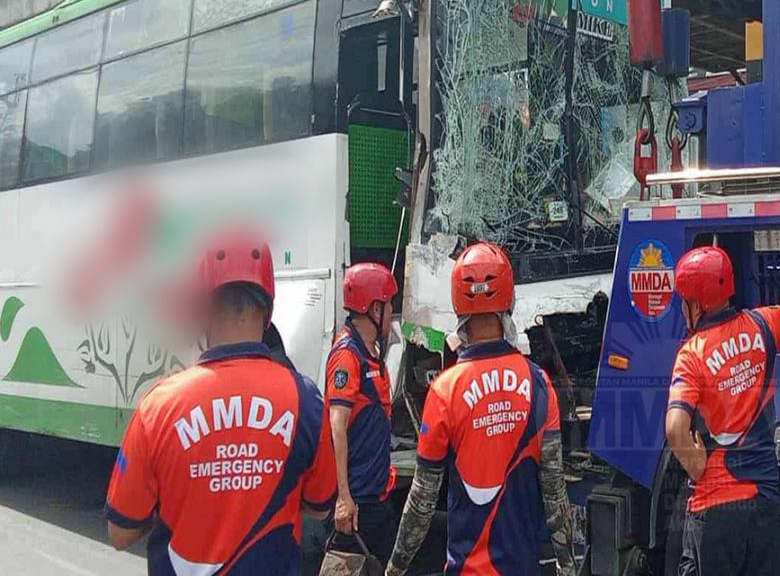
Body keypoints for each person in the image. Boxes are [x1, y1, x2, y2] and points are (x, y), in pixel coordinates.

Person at [105, 231, 338, 575]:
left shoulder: (159, 406)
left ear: (203, 310)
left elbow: (120, 532)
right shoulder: (306, 400)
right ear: (268, 311)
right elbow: (320, 506)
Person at [385, 241, 577, 576]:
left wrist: (395, 568)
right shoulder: (538, 383)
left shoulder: (444, 390)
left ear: (458, 308)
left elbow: (422, 501)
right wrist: (567, 564)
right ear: (509, 302)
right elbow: (553, 488)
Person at [665, 244, 780, 576]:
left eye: (684, 301)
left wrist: (696, 465)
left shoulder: (692, 355)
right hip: (763, 505)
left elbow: (675, 428)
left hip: (716, 513)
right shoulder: (762, 325)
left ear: (697, 305)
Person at [326, 262, 399, 561]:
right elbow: (337, 426)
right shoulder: (348, 356)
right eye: (389, 305)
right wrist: (344, 498)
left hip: (377, 495)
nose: (392, 313)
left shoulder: (371, 353)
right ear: (375, 309)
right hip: (358, 505)